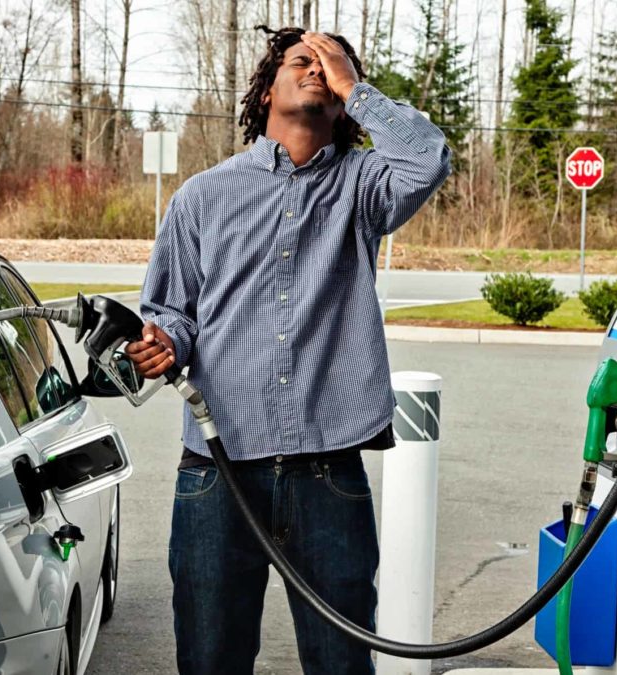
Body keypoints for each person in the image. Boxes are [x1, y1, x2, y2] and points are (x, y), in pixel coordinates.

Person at [126, 25, 450, 674]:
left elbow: (428, 158)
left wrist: (355, 87)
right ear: (266, 86)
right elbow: (171, 313)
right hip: (217, 471)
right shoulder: (201, 196)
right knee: (210, 658)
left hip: (329, 472)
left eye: (331, 67)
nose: (318, 71)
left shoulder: (365, 186)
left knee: (340, 662)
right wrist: (163, 344)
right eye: (302, 61)